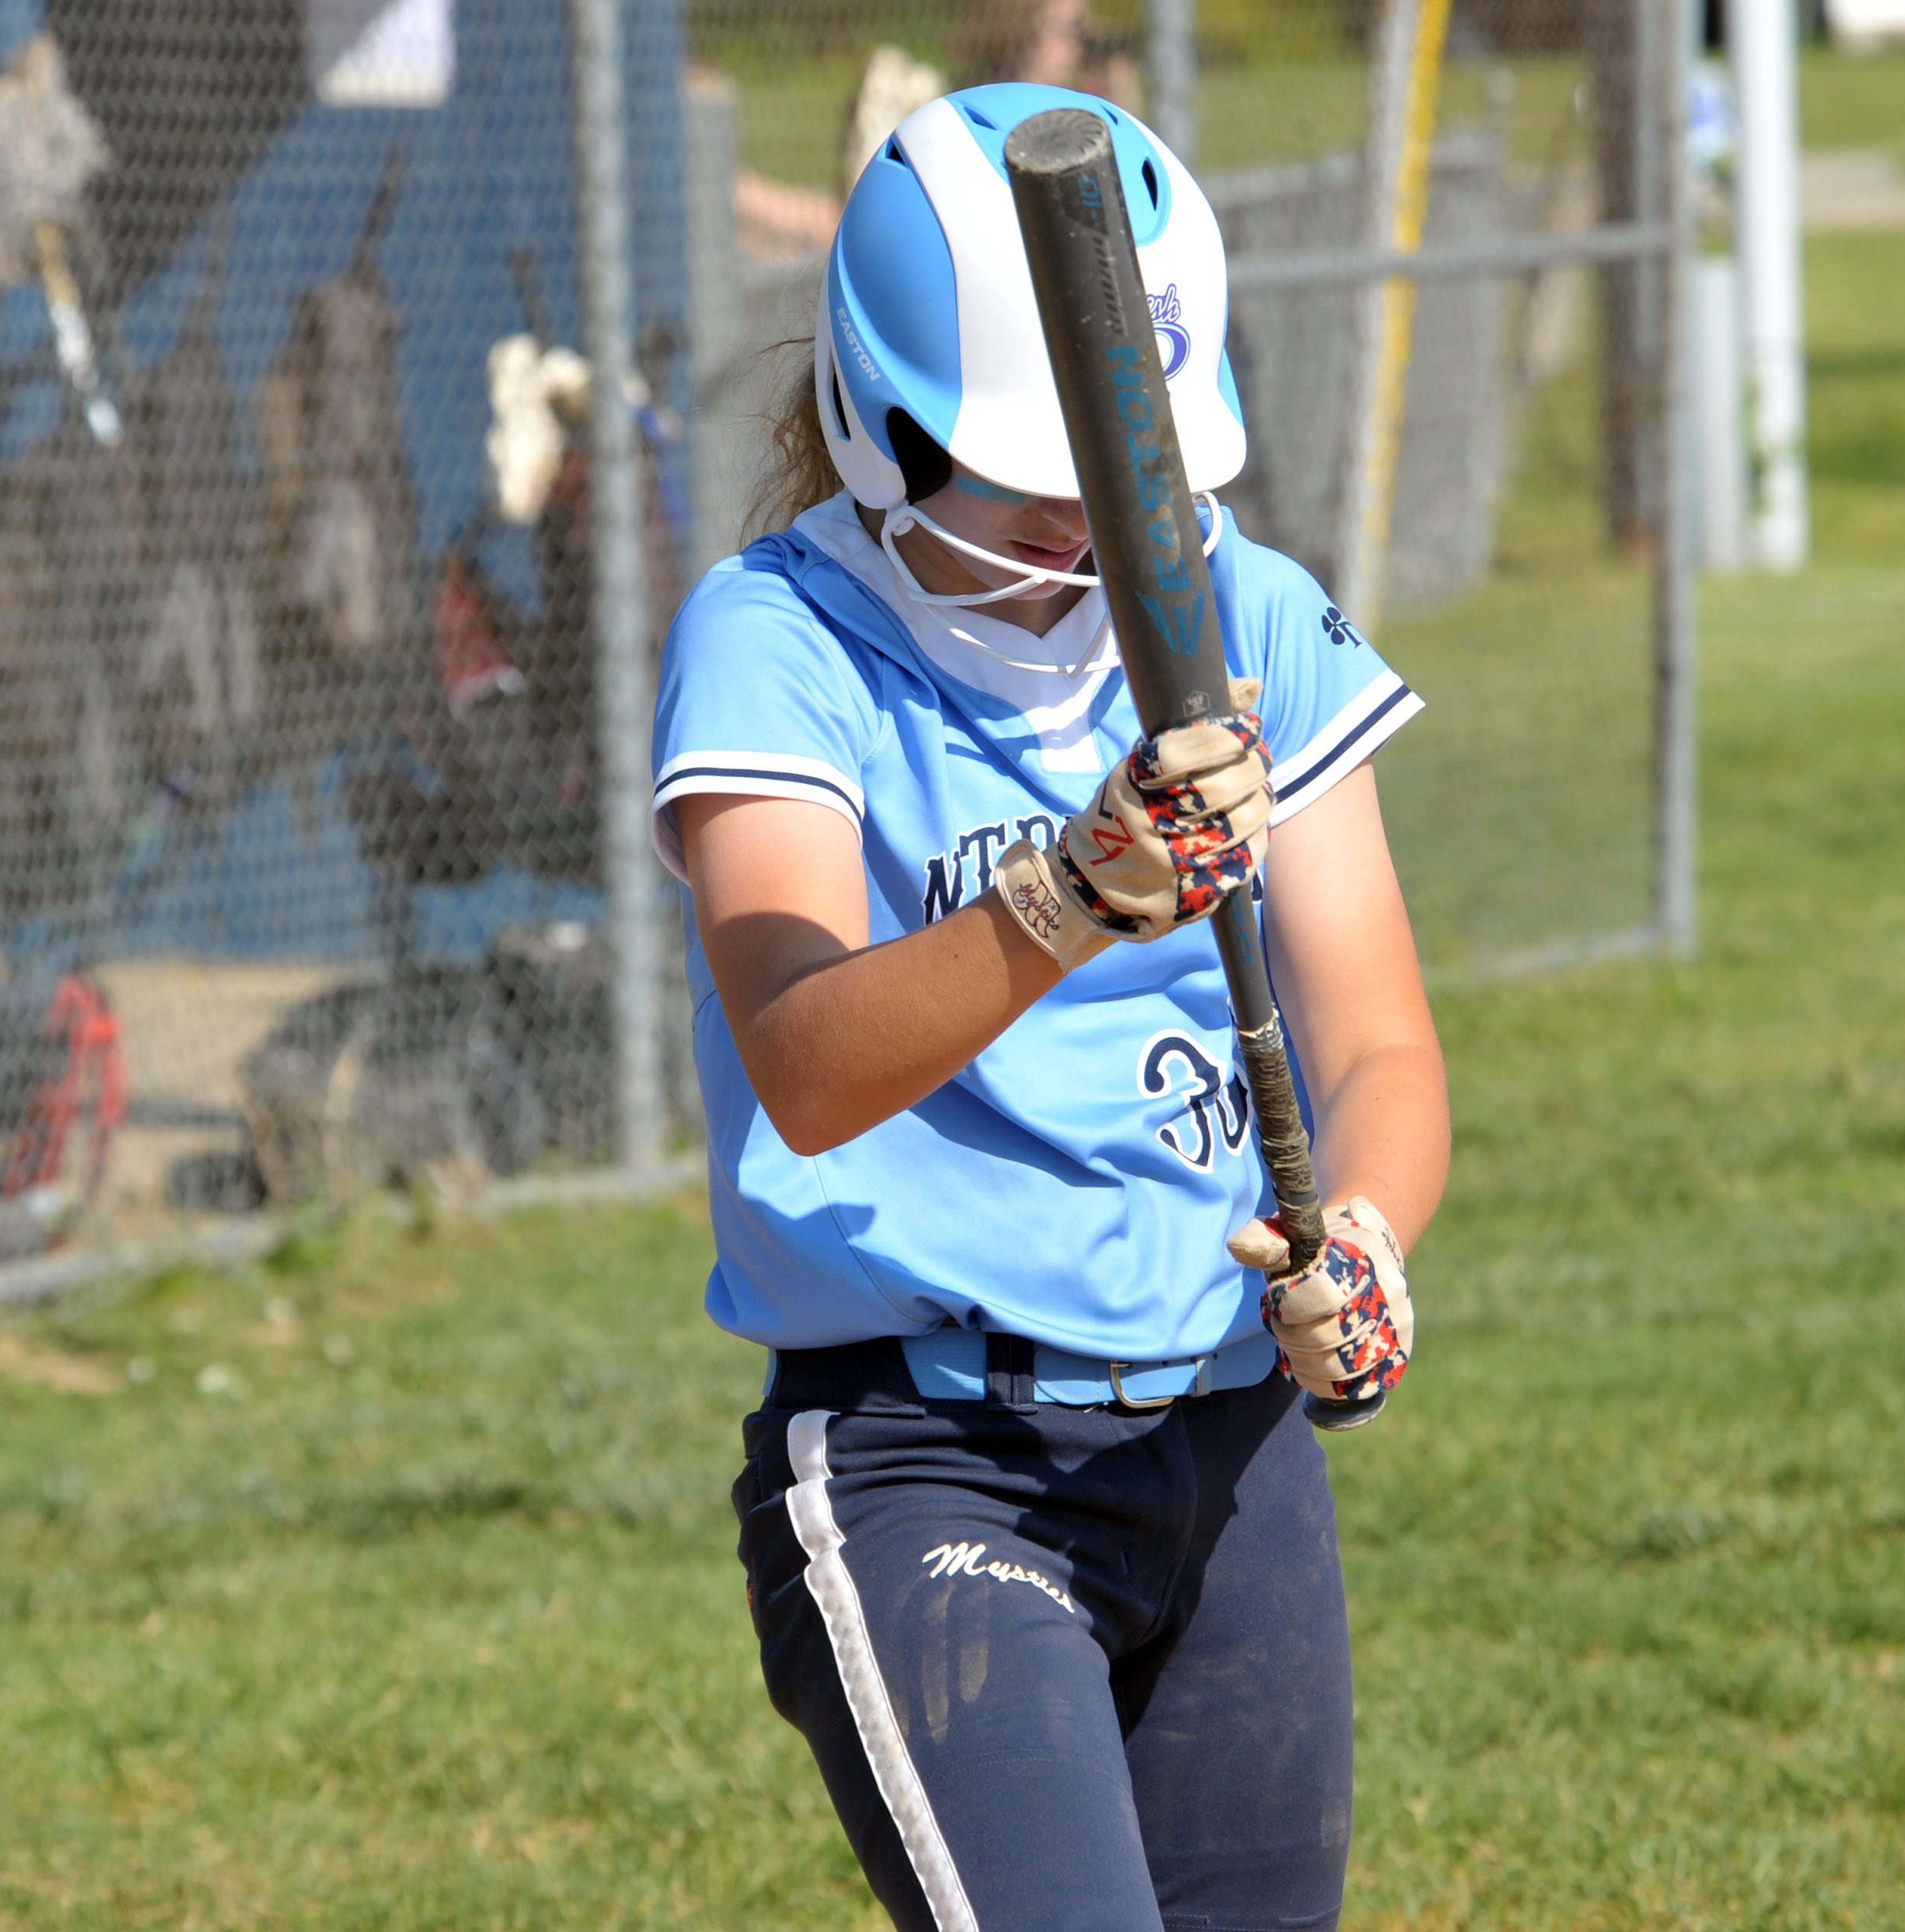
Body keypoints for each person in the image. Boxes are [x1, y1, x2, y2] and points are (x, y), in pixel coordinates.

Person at [652, 83, 1450, 1932]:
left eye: (1138, 472)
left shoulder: (1248, 608)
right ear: (885, 433)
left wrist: (1372, 1244)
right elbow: (806, 1056)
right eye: (1044, 481)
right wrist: (1072, 892)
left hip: (1231, 1438)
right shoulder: (776, 637)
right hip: (937, 1462)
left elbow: (1380, 1041)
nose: (1102, 526)